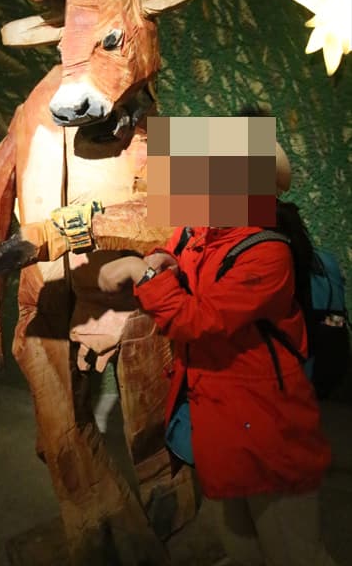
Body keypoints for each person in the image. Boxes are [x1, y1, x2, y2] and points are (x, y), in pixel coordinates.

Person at [97, 216, 336, 565]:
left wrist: (141, 273)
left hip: (267, 428)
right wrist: (165, 262)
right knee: (241, 547)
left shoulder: (267, 250)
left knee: (293, 552)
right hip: (217, 420)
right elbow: (183, 261)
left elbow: (196, 319)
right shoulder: (196, 234)